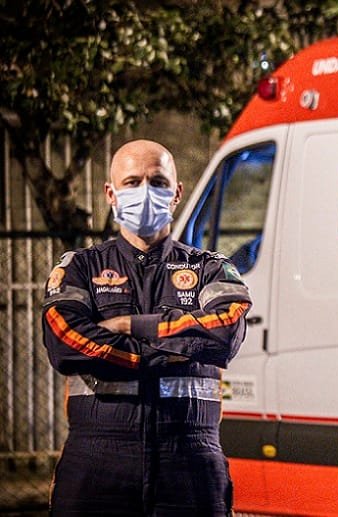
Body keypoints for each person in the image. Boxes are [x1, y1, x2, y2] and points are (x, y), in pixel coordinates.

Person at [41, 139, 251, 515]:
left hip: (191, 462)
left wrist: (130, 325)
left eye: (157, 182)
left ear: (176, 193)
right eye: (132, 182)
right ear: (111, 193)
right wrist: (168, 351)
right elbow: (64, 341)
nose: (146, 192)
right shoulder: (80, 268)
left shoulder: (210, 269)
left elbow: (224, 333)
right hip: (97, 461)